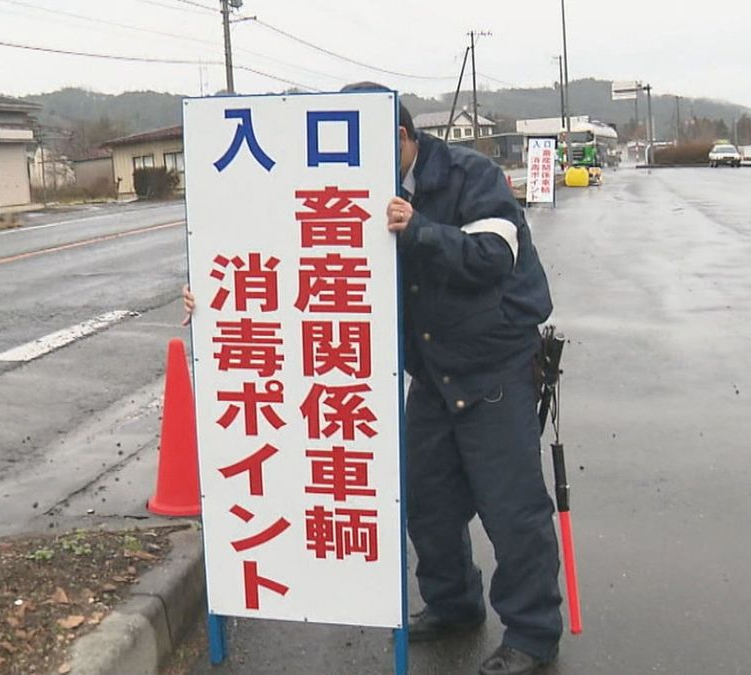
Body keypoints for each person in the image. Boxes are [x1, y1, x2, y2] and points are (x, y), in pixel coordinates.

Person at [184, 83, 563, 675]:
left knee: (512, 508)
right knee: (426, 501)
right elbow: (283, 258)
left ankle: (533, 633)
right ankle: (454, 604)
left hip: (494, 364)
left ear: (404, 137)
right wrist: (213, 298)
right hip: (432, 372)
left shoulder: (471, 175)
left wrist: (419, 230)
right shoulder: (344, 193)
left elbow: (494, 257)